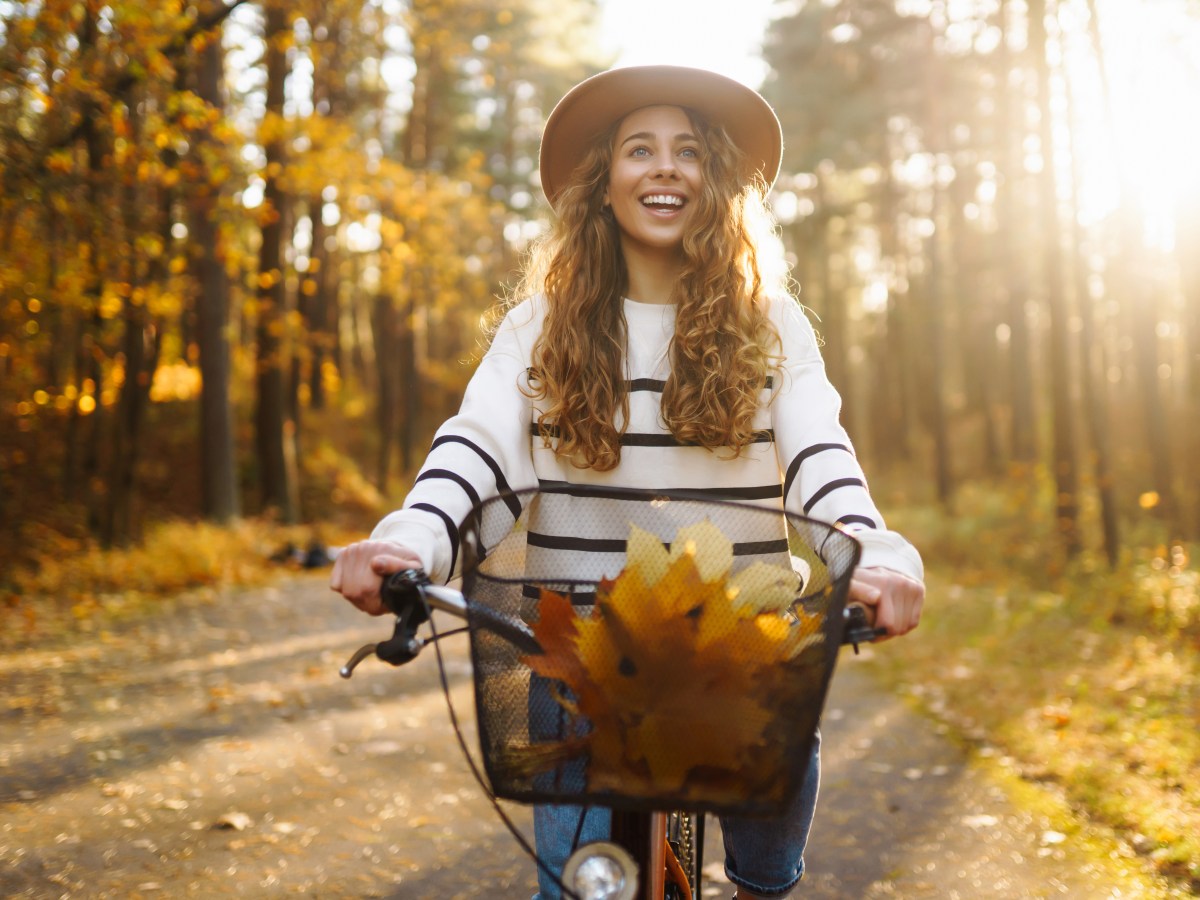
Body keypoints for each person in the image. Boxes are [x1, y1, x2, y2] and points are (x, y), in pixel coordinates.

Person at [331, 65, 925, 900]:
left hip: (735, 647)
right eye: (639, 149)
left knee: (768, 849)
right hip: (578, 652)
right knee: (580, 889)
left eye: (689, 151)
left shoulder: (768, 323)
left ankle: (762, 884)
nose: (665, 167)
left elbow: (819, 457)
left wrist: (875, 556)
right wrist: (411, 540)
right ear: (602, 184)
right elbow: (479, 448)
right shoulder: (540, 325)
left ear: (715, 181)